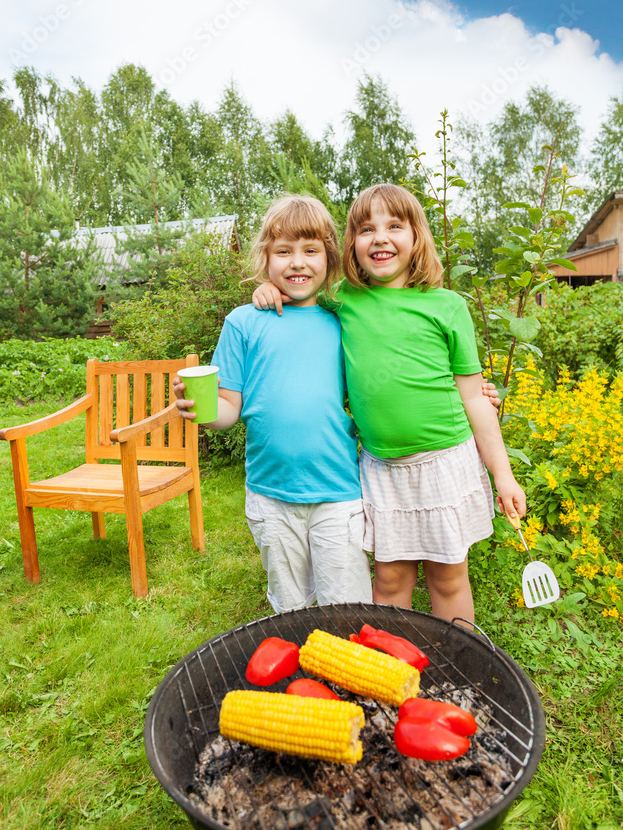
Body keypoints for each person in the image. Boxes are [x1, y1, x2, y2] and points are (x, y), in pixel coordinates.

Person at [252, 184, 525, 625]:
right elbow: (298, 284)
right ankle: (392, 670)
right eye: (365, 229)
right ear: (352, 246)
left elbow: (474, 399)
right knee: (390, 581)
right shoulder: (343, 299)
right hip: (382, 470)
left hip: (444, 464)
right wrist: (269, 287)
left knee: (448, 579)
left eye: (393, 226)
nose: (379, 238)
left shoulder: (446, 307)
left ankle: (457, 664)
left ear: (416, 237)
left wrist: (505, 476)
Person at [174, 195, 373, 613]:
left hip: (337, 491)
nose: (297, 263)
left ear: (331, 258)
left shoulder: (344, 318)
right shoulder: (243, 322)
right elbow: (229, 408)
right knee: (290, 607)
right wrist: (203, 413)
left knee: (348, 606)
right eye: (284, 252)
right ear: (265, 259)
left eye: (310, 251)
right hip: (271, 494)